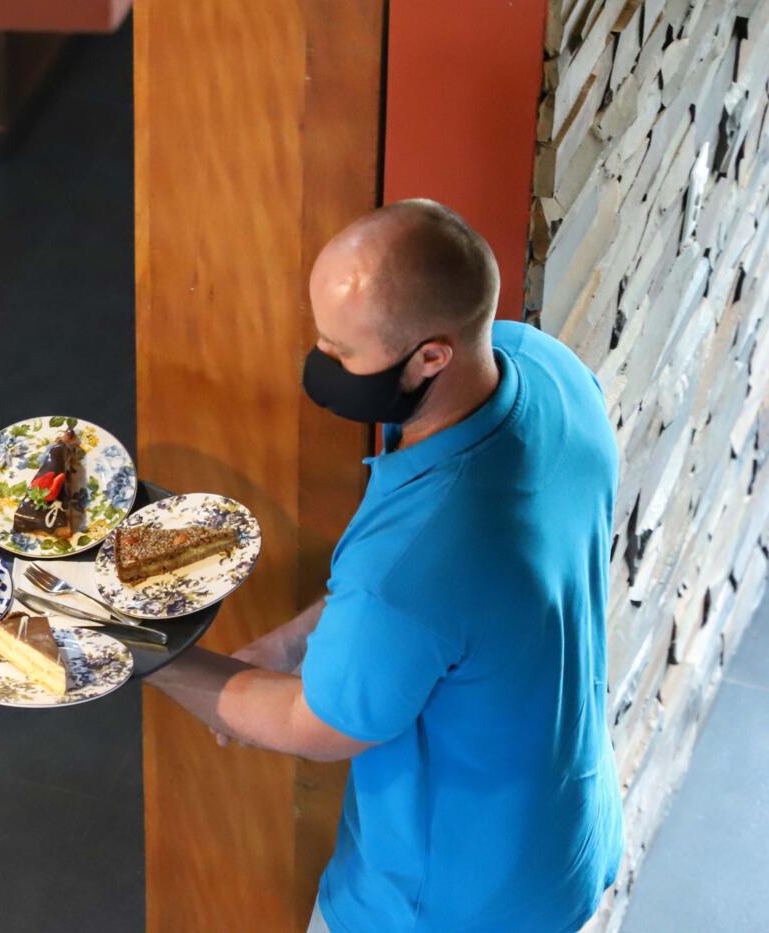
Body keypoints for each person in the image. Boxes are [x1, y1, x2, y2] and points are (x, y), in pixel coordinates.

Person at [148, 200, 624, 932]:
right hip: (564, 838)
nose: (320, 361)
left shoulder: (411, 562)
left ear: (433, 357)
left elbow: (316, 725)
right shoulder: (547, 369)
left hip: (442, 910)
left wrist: (133, 650)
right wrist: (285, 645)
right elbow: (429, 611)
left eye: (340, 351)